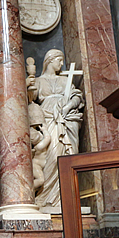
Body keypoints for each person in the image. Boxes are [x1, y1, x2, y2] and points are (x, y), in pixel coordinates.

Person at [27, 49, 84, 209]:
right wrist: (29, 86)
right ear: (50, 60)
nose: (61, 64)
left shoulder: (65, 80)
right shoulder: (39, 80)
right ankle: (46, 198)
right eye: (59, 60)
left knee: (68, 154)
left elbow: (77, 96)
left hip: (67, 120)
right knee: (51, 155)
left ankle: (66, 198)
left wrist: (68, 107)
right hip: (48, 118)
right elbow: (30, 99)